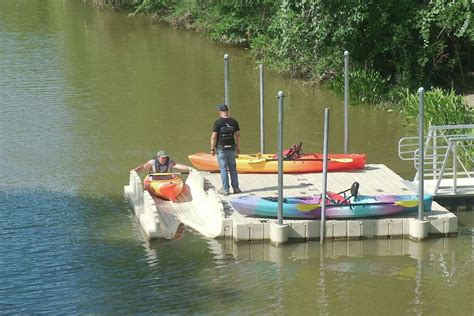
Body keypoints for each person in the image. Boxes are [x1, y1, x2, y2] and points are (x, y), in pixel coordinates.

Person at [210, 104, 241, 195]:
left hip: (221, 149)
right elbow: (238, 135)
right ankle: (236, 188)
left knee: (223, 169)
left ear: (220, 112)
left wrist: (212, 148)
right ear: (227, 111)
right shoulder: (234, 122)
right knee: (233, 169)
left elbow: (213, 137)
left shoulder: (218, 123)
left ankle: (225, 189)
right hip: (232, 148)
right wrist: (238, 147)